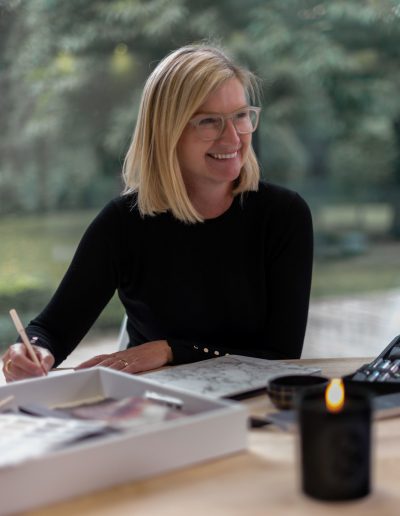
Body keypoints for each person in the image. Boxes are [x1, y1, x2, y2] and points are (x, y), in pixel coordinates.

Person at [2, 44, 313, 382]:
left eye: (240, 115)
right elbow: (51, 329)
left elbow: (282, 355)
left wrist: (169, 350)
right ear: (167, 132)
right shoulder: (125, 222)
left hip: (254, 407)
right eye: (209, 121)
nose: (233, 137)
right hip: (155, 409)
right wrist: (29, 350)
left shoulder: (284, 215)